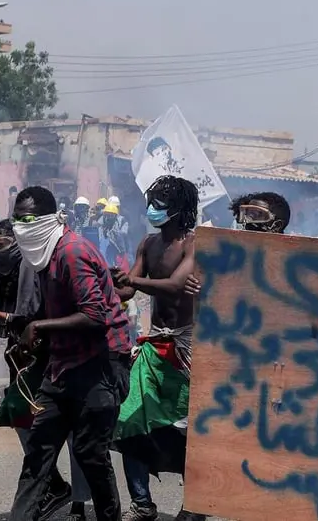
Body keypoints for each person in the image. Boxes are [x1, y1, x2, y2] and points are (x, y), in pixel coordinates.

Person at [8, 186, 133, 521]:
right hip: (64, 362)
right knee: (39, 451)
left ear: (50, 218)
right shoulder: (43, 253)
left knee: (90, 453)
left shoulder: (72, 252)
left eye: (29, 218)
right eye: (17, 218)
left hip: (101, 362)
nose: (21, 225)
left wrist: (40, 328)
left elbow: (94, 317)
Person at [0, 220, 93, 521]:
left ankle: (79, 502)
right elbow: (9, 325)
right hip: (24, 358)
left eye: (1, 246)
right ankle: (53, 485)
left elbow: (35, 314)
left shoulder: (33, 265)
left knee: (71, 430)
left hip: (55, 356)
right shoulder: (6, 274)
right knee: (19, 416)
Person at [112, 176, 207, 521]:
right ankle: (142, 503)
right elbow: (125, 292)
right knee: (130, 418)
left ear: (179, 208)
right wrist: (109, 279)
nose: (152, 209)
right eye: (151, 201)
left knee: (186, 428)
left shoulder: (194, 244)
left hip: (187, 345)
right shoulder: (147, 244)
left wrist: (130, 281)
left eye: (160, 203)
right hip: (154, 345)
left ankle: (195, 504)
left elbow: (175, 286)